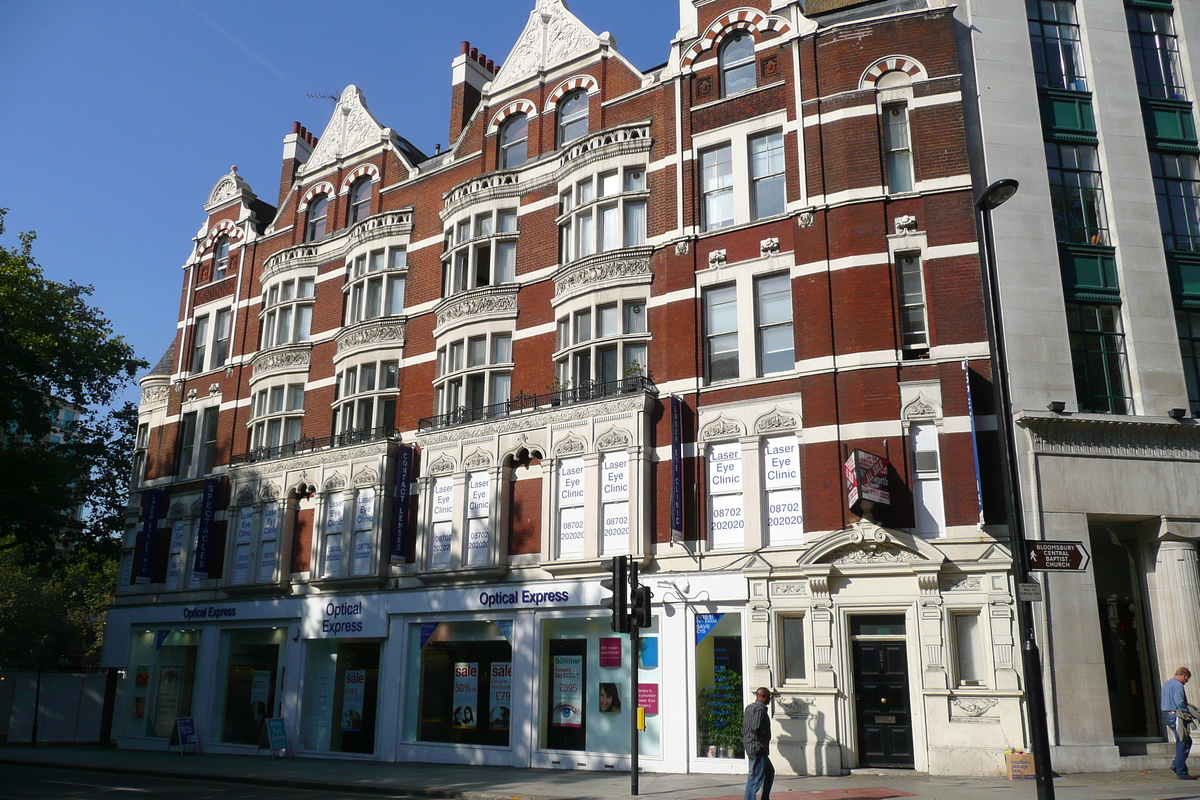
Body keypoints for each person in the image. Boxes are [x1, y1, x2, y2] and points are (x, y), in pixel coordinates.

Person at [742, 686, 774, 800]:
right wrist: (761, 743)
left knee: (769, 771)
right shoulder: (759, 710)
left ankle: (765, 797)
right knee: (755, 777)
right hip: (757, 747)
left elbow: (745, 727)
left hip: (752, 745)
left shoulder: (749, 708)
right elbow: (755, 727)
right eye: (769, 697)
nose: (770, 699)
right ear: (763, 697)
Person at [1163, 667, 1193, 779]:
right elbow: (1180, 702)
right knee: (1184, 741)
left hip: (1167, 714)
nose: (1186, 681)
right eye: (1187, 679)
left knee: (1183, 741)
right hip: (1175, 715)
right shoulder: (1178, 685)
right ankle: (1180, 770)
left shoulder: (1166, 684)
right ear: (1183, 675)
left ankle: (1178, 765)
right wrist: (1187, 714)